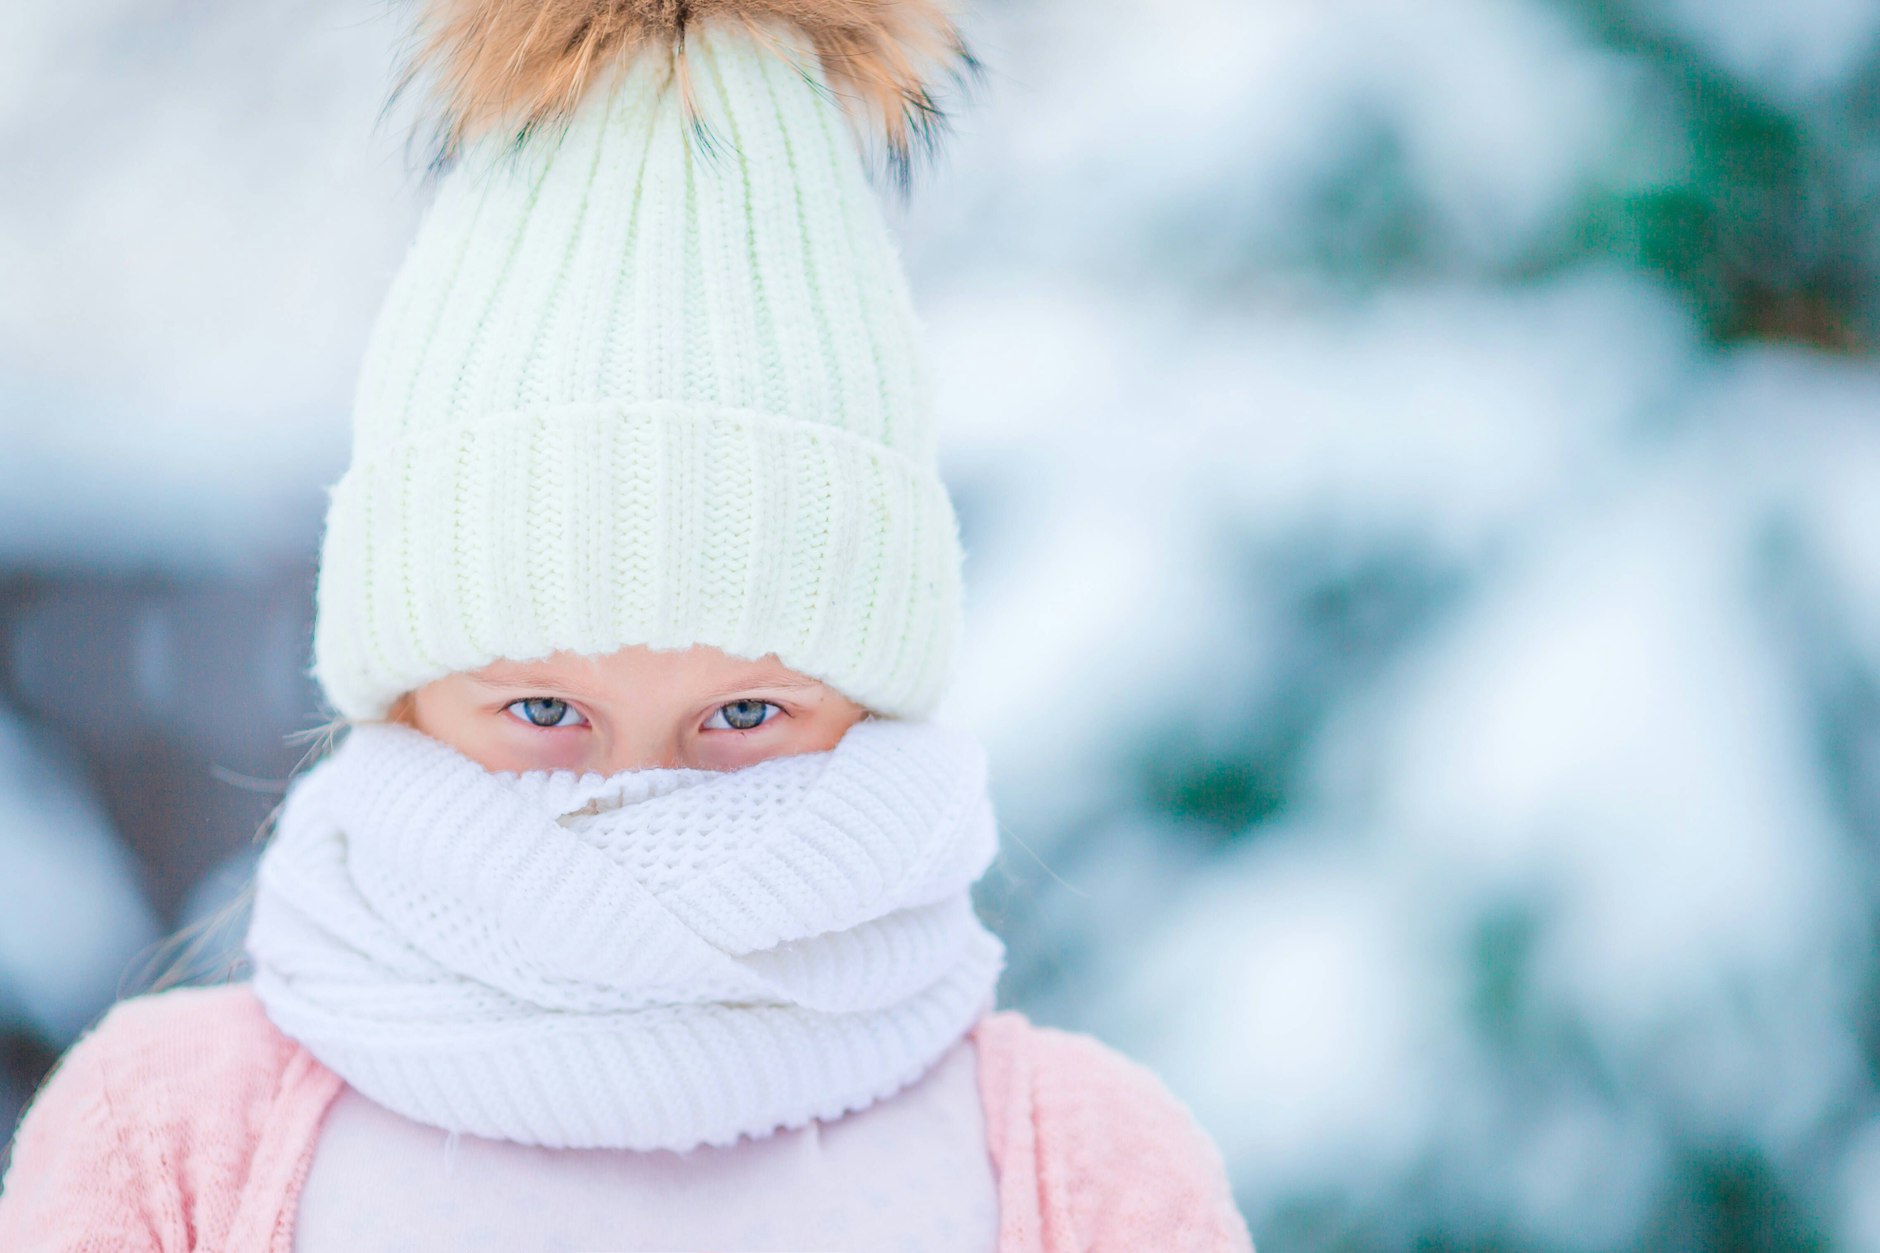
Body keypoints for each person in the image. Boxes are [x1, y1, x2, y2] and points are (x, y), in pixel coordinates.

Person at [0, 1, 1255, 1248]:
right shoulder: (168, 1139)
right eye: (545, 710)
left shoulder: (1079, 1168)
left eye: (746, 713)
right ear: (404, 696)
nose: (643, 799)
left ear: (874, 702)